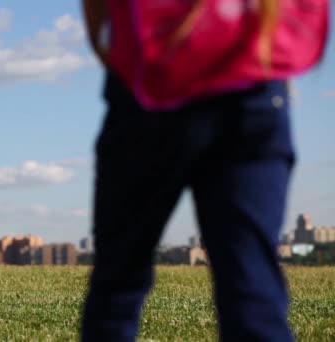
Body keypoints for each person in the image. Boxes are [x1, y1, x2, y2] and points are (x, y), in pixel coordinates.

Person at [81, 0, 328, 340]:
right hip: (251, 83)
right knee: (252, 293)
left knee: (118, 288)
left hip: (150, 79)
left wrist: (108, 45)